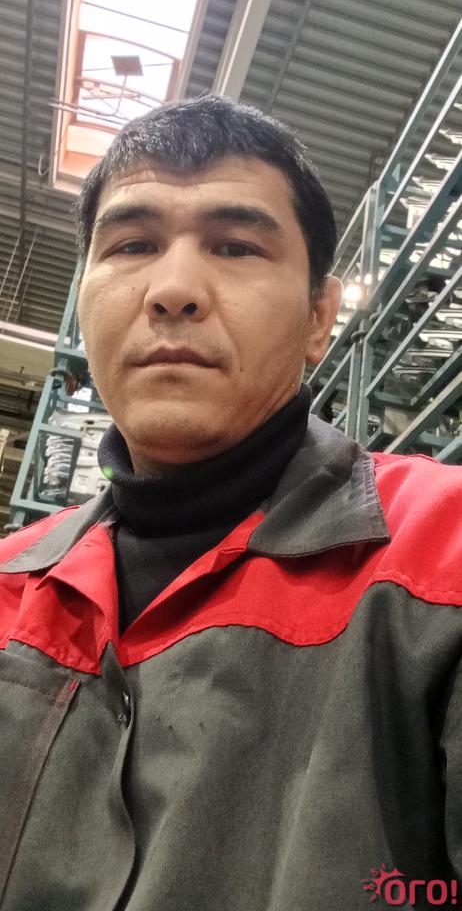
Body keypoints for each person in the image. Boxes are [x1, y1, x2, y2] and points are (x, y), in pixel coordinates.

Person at [0, 94, 461, 911]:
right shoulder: (10, 586)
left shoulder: (441, 554)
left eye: (237, 246)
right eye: (133, 244)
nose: (174, 289)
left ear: (320, 318)